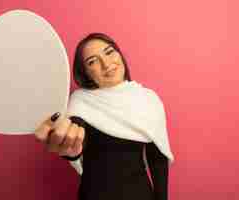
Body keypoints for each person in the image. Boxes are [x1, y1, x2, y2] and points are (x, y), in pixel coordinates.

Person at [35, 33, 174, 200]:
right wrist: (69, 146)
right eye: (92, 61)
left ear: (119, 54)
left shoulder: (149, 100)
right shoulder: (81, 101)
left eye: (109, 52)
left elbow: (157, 159)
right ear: (85, 73)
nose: (106, 63)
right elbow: (76, 137)